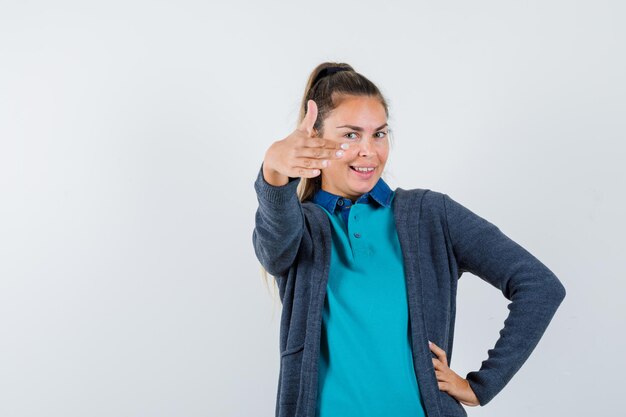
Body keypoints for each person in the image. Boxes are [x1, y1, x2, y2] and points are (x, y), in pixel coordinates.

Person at [252, 62, 566, 417]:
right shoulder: (301, 226)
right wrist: (274, 172)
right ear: (315, 140)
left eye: (379, 134)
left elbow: (539, 285)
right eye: (350, 135)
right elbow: (273, 250)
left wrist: (481, 386)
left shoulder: (430, 215)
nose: (368, 150)